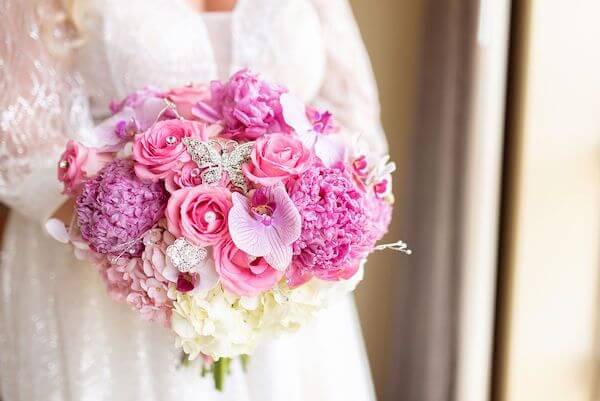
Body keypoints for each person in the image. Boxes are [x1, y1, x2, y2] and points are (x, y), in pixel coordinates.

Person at [0, 0, 387, 399]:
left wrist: (290, 233)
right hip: (111, 287)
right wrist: (153, 248)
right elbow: (18, 140)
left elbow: (354, 123)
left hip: (286, 292)